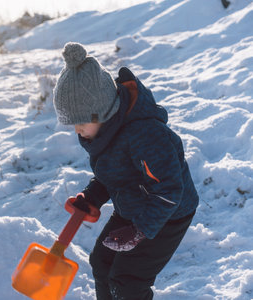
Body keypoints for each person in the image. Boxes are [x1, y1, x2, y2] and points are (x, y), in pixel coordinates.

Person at [52, 42, 199, 299]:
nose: (77, 130)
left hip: (167, 213)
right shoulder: (105, 132)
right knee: (101, 263)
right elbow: (115, 172)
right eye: (73, 123)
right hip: (134, 206)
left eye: (82, 121)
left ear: (104, 111)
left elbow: (169, 190)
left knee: (127, 281)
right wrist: (93, 196)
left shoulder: (145, 135)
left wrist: (139, 231)